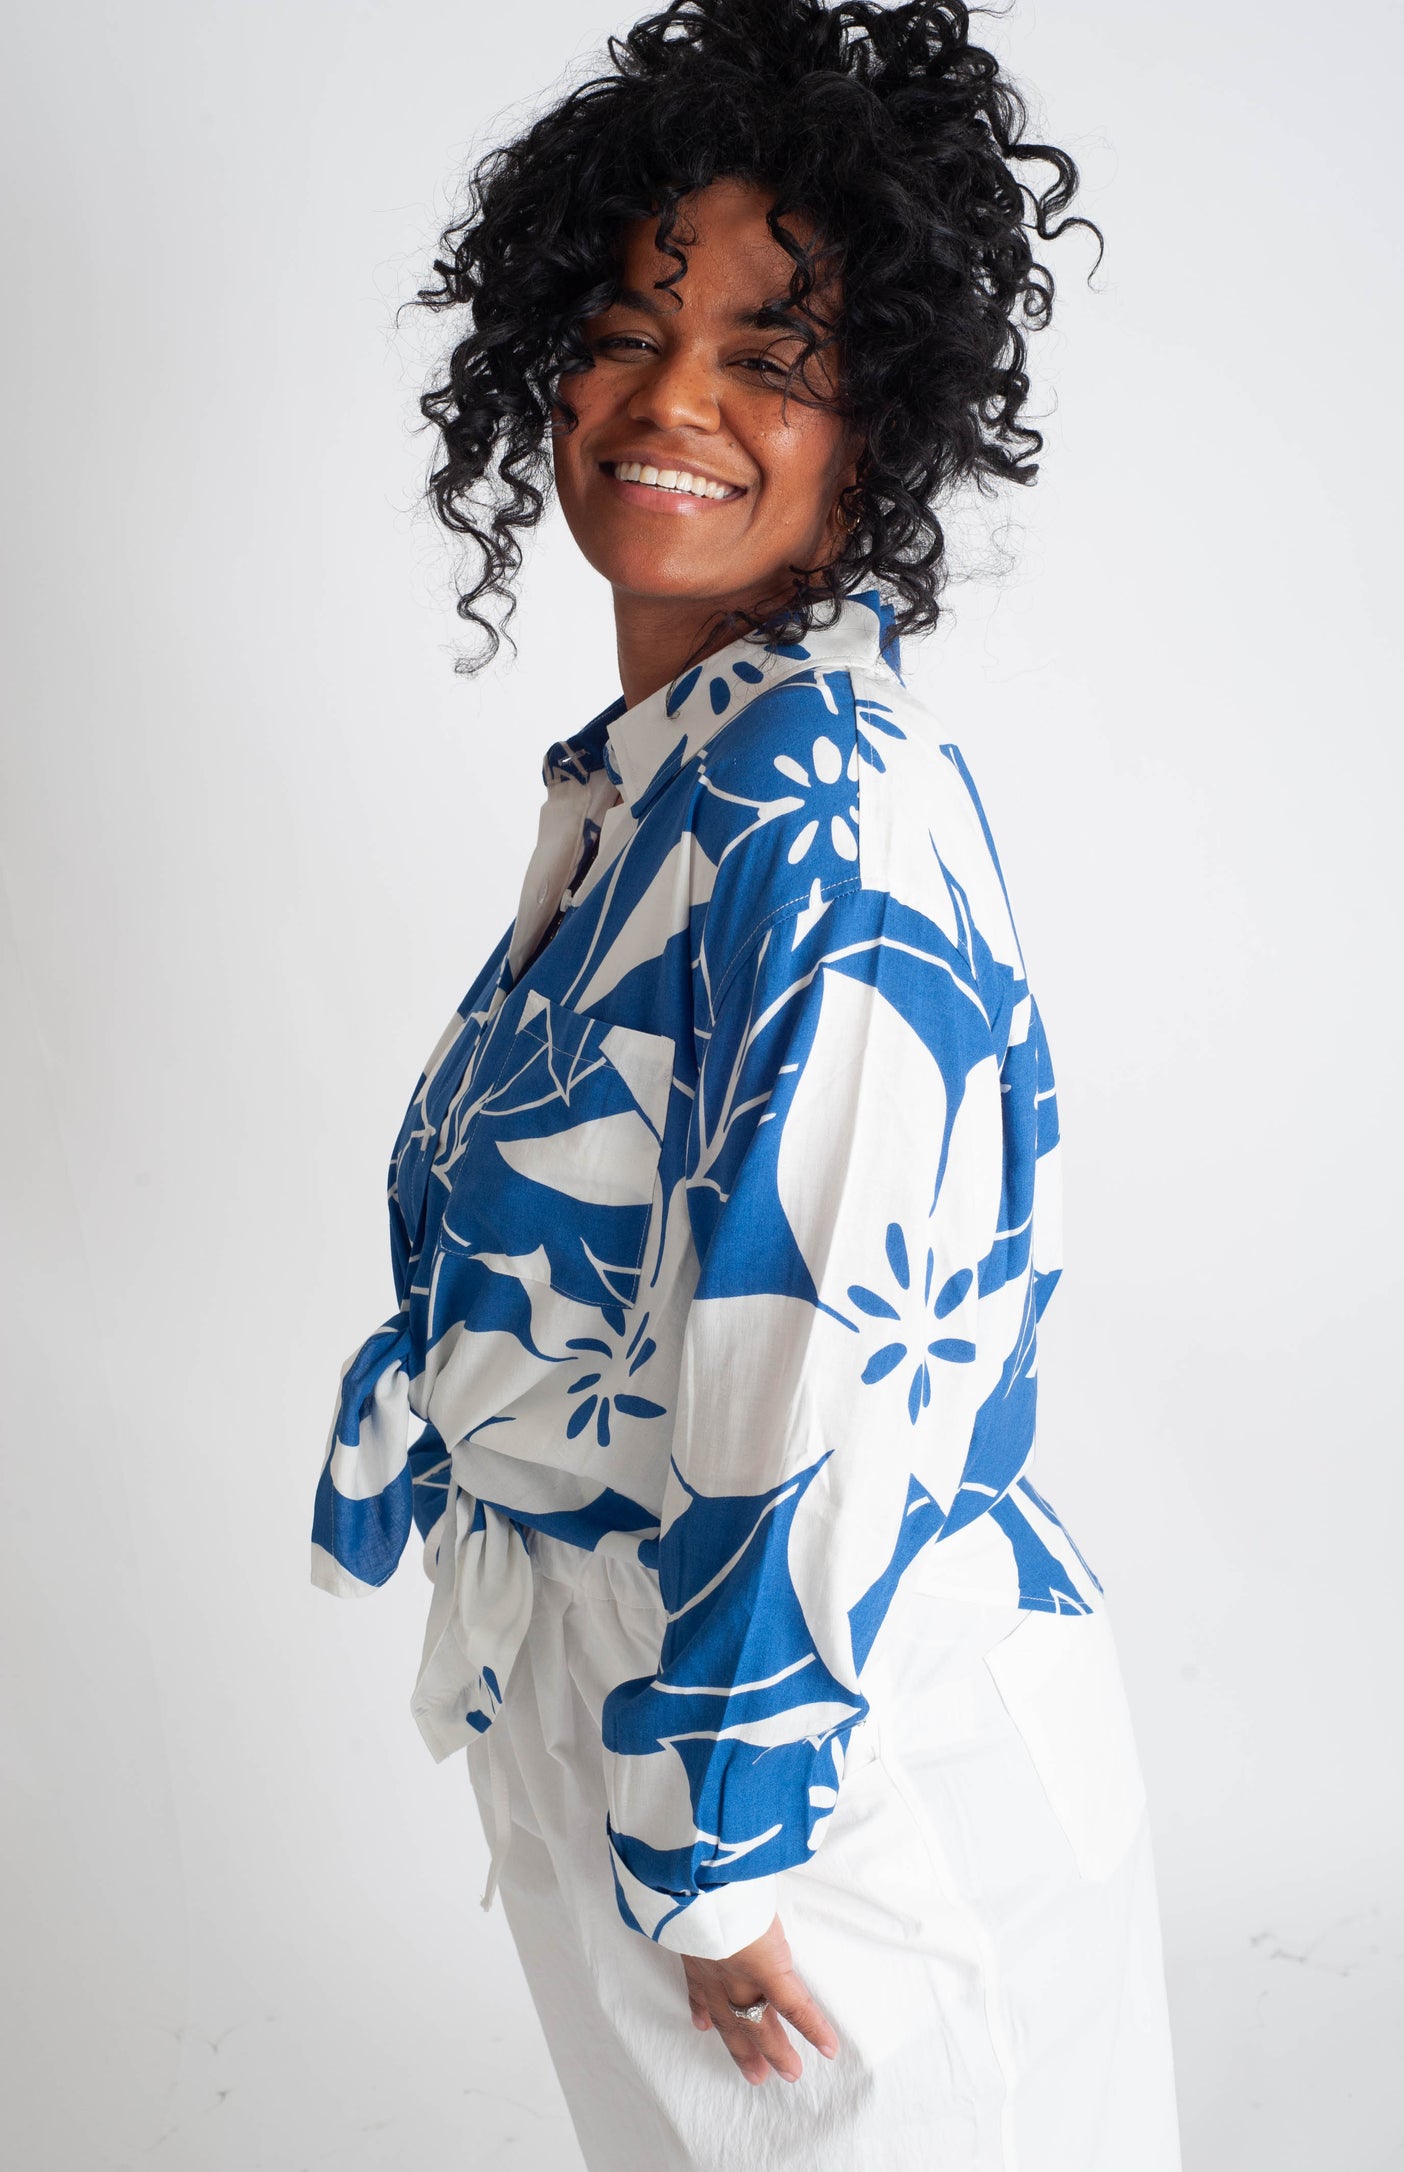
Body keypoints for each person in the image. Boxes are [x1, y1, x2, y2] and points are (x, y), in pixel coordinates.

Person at [311, 3, 1181, 2164]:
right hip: (661, 1747)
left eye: (770, 357)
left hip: (807, 1805)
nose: (672, 401)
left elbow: (802, 1377)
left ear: (879, 428)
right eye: (622, 330)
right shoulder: (662, 798)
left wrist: (718, 1858)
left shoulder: (818, 835)